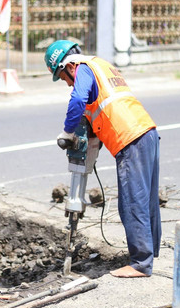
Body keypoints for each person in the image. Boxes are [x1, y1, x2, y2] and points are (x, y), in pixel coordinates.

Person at [44, 40, 162, 278]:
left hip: (129, 138)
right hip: (147, 131)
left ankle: (141, 264)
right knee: (147, 198)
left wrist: (68, 131)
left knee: (131, 202)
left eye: (63, 77)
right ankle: (151, 252)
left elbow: (78, 100)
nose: (66, 83)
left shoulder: (83, 69)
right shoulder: (101, 65)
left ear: (68, 65)